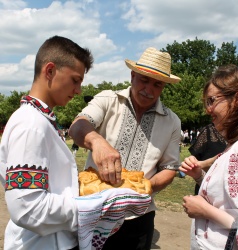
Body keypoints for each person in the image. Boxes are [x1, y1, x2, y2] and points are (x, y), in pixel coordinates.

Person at [69, 47, 182, 250]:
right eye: (144, 80)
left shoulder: (172, 121)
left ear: (164, 86)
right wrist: (96, 140)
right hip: (95, 213)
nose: (149, 89)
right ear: (132, 75)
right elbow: (78, 125)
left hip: (139, 217)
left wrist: (141, 190)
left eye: (157, 84)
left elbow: (170, 168)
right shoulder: (108, 99)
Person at [0, 35, 94, 250]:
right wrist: (91, 206)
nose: (79, 90)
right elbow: (27, 208)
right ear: (50, 71)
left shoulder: (38, 119)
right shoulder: (31, 124)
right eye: (75, 80)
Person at [179, 64, 238, 249]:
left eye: (212, 100)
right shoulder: (235, 146)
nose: (208, 109)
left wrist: (205, 211)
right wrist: (198, 176)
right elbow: (226, 202)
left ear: (237, 100)